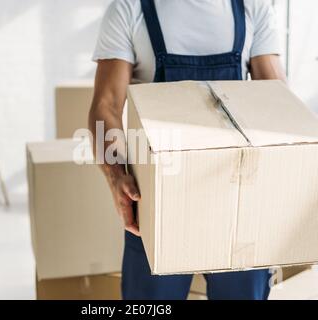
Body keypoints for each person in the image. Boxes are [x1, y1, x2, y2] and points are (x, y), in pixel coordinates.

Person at [88, 0, 287, 300]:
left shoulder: (253, 8)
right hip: (157, 202)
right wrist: (116, 175)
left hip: (238, 200)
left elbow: (276, 101)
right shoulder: (130, 9)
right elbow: (106, 106)